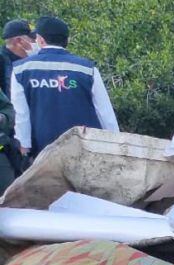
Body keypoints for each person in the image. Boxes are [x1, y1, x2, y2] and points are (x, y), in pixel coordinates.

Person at [11, 16, 119, 158]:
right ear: (66, 40)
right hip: (85, 148)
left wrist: (24, 147)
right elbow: (105, 112)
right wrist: (115, 144)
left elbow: (22, 115)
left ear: (41, 40)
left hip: (44, 151)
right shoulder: (87, 68)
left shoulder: (21, 70)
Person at [1, 19, 35, 97]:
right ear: (19, 41)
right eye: (32, 39)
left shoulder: (30, 61)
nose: (35, 42)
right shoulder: (2, 61)